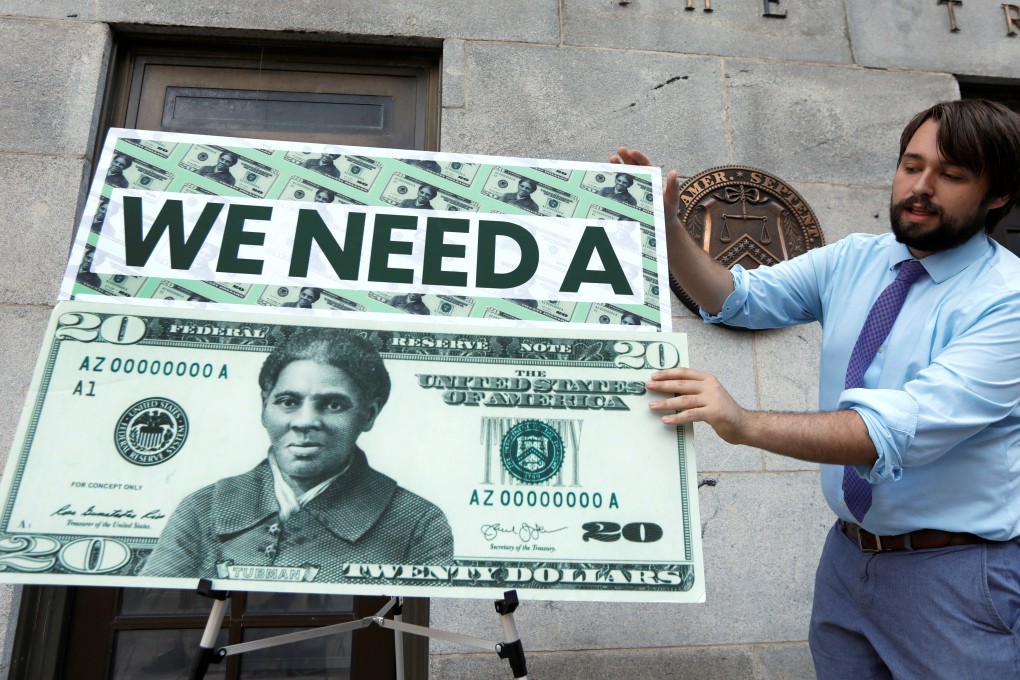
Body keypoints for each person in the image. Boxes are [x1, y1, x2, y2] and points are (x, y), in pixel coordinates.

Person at [615, 99, 1020, 678]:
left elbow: (888, 431)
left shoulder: (1008, 301)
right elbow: (733, 298)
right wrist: (671, 227)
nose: (921, 187)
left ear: (998, 195)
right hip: (847, 559)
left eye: (951, 175)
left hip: (956, 574)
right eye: (911, 165)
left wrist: (744, 421)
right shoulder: (857, 258)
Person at [142, 328, 455, 579]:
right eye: (288, 402)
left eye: (333, 404)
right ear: (264, 407)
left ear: (369, 414)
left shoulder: (419, 522)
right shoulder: (203, 508)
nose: (305, 422)